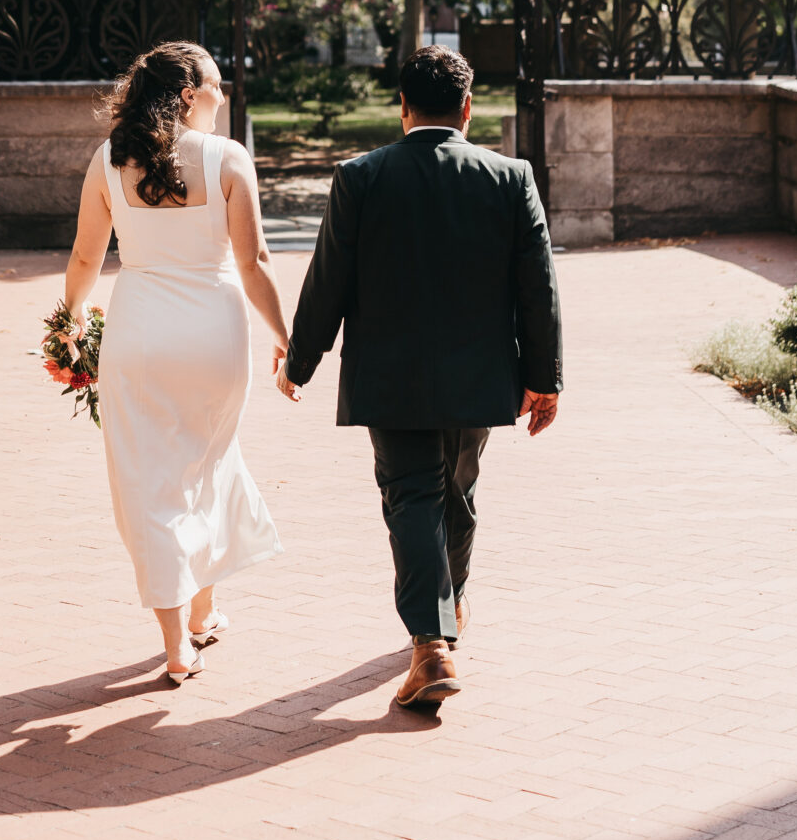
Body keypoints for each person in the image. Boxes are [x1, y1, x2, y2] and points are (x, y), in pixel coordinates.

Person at [276, 44, 561, 712]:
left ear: (401, 107)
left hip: (389, 376)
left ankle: (430, 642)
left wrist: (300, 361)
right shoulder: (509, 176)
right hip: (481, 374)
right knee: (457, 492)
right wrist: (543, 379)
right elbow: (538, 289)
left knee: (410, 497)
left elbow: (328, 282)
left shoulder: (361, 176)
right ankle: (447, 612)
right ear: (466, 108)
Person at [62, 41, 287, 685]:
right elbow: (254, 264)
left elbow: (85, 259)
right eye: (219, 85)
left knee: (150, 481)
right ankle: (202, 612)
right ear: (190, 92)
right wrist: (284, 335)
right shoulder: (227, 160)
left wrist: (71, 318)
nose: (225, 96)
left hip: (138, 335)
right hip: (215, 336)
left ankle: (177, 641)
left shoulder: (108, 162)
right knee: (208, 460)